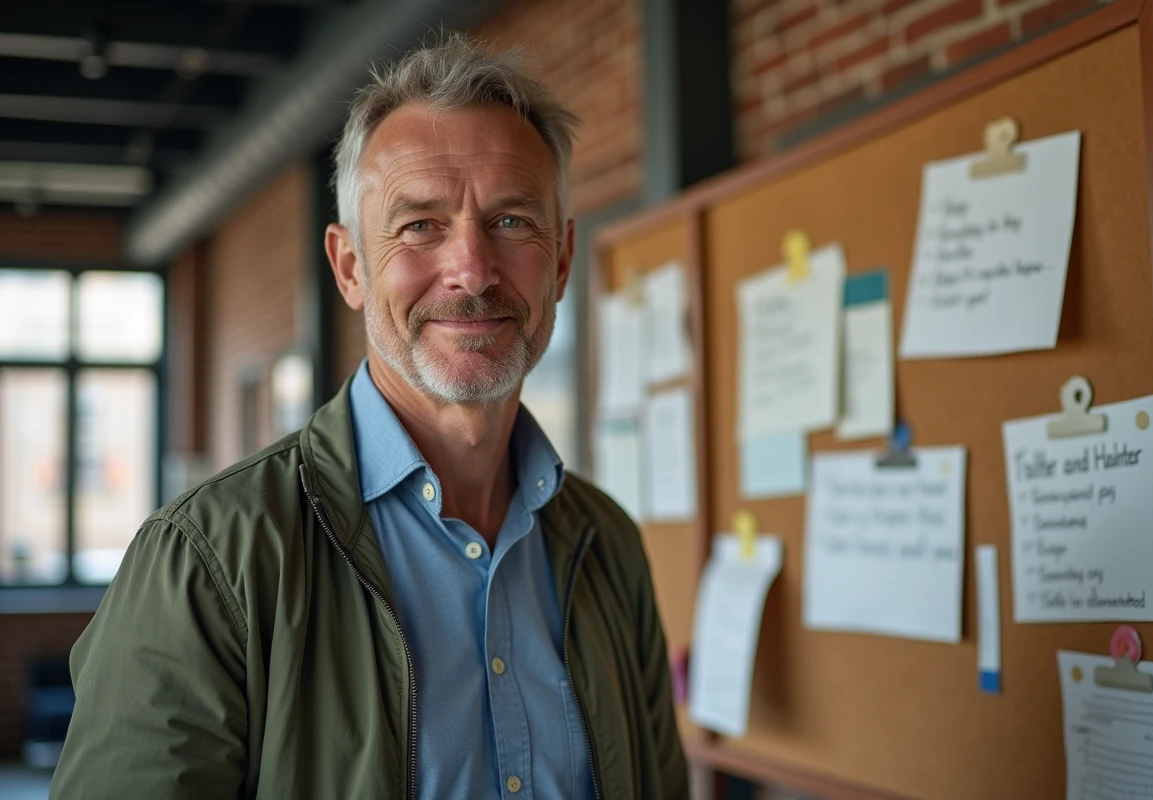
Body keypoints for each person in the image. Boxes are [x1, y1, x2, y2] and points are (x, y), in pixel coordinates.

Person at [51, 34, 687, 800]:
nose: (472, 270)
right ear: (350, 267)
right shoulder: (208, 561)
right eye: (420, 225)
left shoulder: (609, 546)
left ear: (560, 262)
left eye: (513, 221)